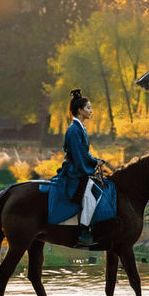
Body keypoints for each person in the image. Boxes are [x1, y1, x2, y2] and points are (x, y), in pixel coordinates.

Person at [54, 89, 104, 246]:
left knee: (97, 192)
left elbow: (83, 153)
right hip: (74, 172)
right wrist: (93, 163)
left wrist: (95, 161)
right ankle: (82, 234)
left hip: (78, 169)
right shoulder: (74, 130)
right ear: (80, 110)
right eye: (88, 108)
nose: (91, 111)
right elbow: (79, 155)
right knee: (89, 199)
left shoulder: (79, 128)